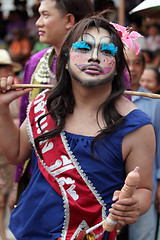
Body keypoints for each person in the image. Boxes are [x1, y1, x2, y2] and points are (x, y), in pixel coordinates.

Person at [0, 14, 155, 240]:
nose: (94, 57)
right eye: (83, 48)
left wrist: (132, 206)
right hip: (26, 233)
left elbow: (143, 191)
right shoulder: (44, 105)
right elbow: (15, 153)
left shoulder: (136, 126)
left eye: (107, 51)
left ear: (118, 64)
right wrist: (3, 109)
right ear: (66, 56)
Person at [8, 0, 94, 212]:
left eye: (45, 15)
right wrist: (19, 182)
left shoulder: (101, 63)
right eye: (39, 15)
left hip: (88, 182)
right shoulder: (35, 63)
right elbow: (24, 128)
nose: (38, 22)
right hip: (40, 180)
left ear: (69, 20)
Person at [124, 48, 160, 240]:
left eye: (137, 63)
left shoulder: (154, 102)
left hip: (146, 186)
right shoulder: (111, 99)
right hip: (113, 184)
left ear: (144, 67)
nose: (132, 68)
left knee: (144, 234)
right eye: (127, 62)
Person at [0, 49, 20, 240]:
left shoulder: (17, 89)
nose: (3, 72)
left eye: (5, 67)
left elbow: (22, 118)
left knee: (9, 196)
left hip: (10, 151)